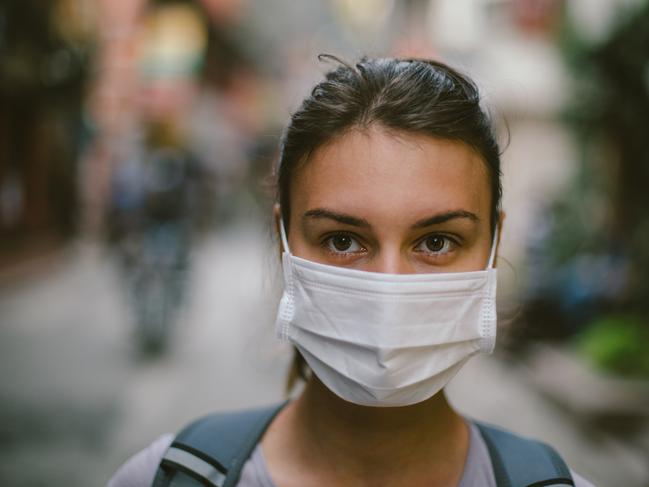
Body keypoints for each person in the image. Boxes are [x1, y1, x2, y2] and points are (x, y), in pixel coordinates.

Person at [108, 56, 595, 487]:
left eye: (436, 242)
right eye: (342, 241)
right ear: (284, 243)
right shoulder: (164, 478)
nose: (389, 285)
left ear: (493, 243)